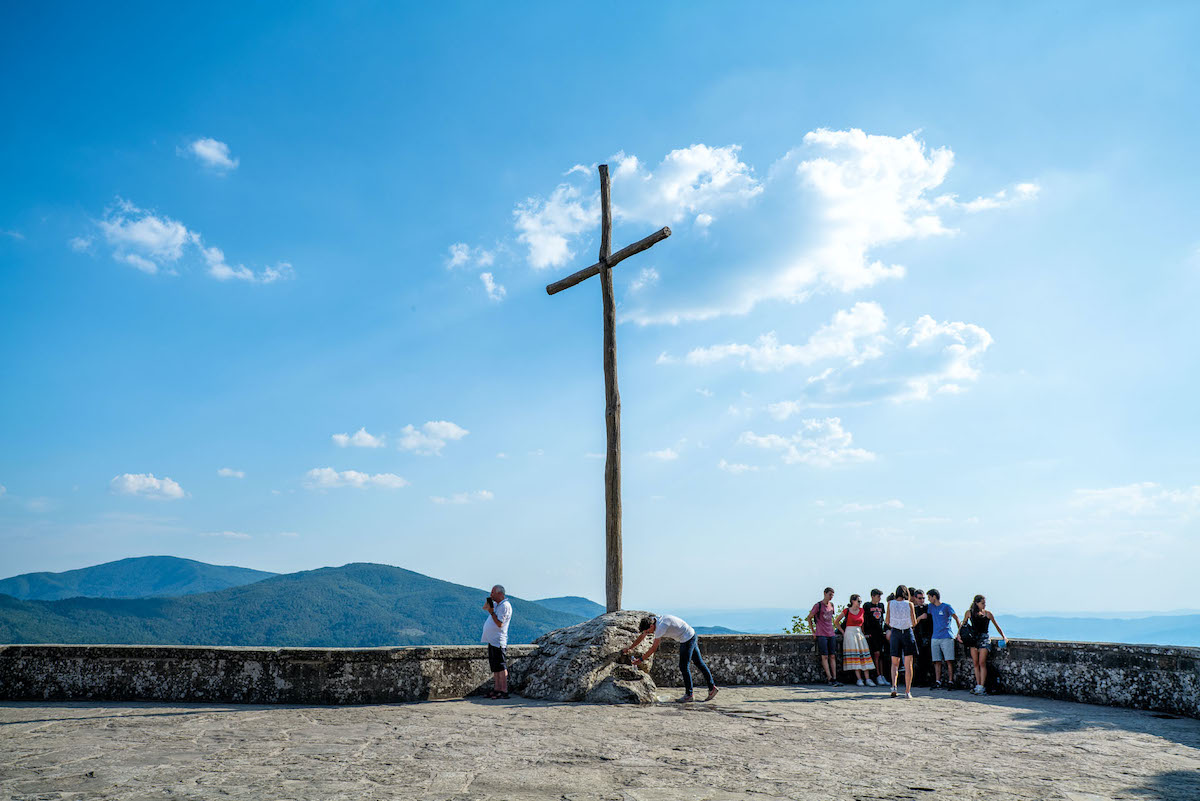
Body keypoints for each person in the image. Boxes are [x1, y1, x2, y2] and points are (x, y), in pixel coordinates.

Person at [623, 614, 718, 703]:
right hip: (691, 634)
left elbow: (653, 648)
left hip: (687, 638)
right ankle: (711, 688)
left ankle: (689, 695)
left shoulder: (660, 627)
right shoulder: (654, 620)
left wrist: (640, 660)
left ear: (651, 626)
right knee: (699, 663)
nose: (648, 634)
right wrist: (630, 648)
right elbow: (642, 635)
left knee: (683, 666)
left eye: (648, 632)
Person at [958, 594, 1006, 695]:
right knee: (975, 663)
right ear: (977, 603)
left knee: (982, 663)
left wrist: (1003, 636)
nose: (984, 605)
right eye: (982, 603)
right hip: (973, 639)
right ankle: (978, 685)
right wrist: (958, 635)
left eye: (984, 603)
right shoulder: (969, 613)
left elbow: (997, 626)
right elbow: (963, 625)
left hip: (984, 638)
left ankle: (982, 686)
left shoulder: (988, 614)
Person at [834, 594, 875, 685]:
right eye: (858, 601)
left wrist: (864, 633)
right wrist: (842, 631)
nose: (860, 603)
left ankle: (867, 679)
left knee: (864, 655)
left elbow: (863, 623)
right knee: (855, 656)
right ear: (853, 601)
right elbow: (836, 621)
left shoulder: (862, 611)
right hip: (850, 632)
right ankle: (859, 679)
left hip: (859, 632)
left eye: (860, 601)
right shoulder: (847, 611)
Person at [886, 584, 918, 698]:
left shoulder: (890, 603)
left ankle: (894, 686)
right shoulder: (909, 604)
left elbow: (887, 621)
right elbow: (914, 622)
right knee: (908, 664)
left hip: (895, 632)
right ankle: (907, 691)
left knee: (894, 663)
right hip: (907, 633)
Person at [481, 584, 512, 699]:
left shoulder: (505, 606)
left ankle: (503, 690)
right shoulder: (497, 604)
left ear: (500, 594)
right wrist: (490, 600)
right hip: (492, 640)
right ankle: (497, 689)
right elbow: (485, 607)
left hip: (499, 640)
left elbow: (500, 624)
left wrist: (492, 613)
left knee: (501, 666)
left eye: (493, 593)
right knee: (495, 667)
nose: (491, 595)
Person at [926, 589, 961, 689]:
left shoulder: (946, 606)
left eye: (929, 597)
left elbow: (956, 618)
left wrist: (959, 633)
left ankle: (950, 681)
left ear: (934, 597)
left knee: (949, 660)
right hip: (935, 636)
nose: (928, 599)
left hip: (946, 636)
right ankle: (938, 681)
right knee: (937, 661)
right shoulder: (931, 607)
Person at [807, 587, 841, 686]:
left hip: (831, 633)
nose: (831, 597)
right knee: (825, 656)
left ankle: (834, 677)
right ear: (825, 594)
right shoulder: (818, 605)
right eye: (830, 594)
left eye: (832, 595)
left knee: (832, 656)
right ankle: (829, 678)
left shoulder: (831, 605)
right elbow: (809, 617)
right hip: (821, 633)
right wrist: (813, 631)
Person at [862, 589, 889, 686]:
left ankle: (882, 675)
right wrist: (864, 632)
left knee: (881, 655)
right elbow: (864, 620)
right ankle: (877, 675)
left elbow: (882, 618)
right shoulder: (867, 605)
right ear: (873, 596)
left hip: (880, 633)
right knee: (876, 654)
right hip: (871, 633)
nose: (880, 598)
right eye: (878, 596)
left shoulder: (881, 606)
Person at [911, 589, 933, 687]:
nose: (922, 600)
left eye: (923, 598)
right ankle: (918, 680)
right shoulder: (912, 609)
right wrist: (920, 618)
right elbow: (911, 624)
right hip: (917, 636)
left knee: (927, 659)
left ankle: (927, 680)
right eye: (920, 598)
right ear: (915, 598)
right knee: (918, 660)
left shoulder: (927, 607)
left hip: (927, 635)